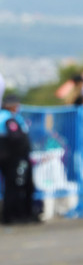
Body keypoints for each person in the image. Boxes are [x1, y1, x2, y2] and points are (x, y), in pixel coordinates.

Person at [0, 93, 36, 224]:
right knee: (16, 186)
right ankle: (15, 215)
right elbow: (15, 138)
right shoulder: (9, 119)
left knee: (13, 186)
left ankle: (15, 215)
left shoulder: (9, 117)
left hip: (11, 158)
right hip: (15, 158)